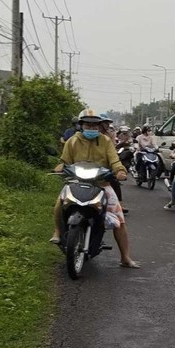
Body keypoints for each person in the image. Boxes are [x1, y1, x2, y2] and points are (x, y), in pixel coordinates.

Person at [50, 108, 139, 268]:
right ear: (81, 125)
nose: (91, 129)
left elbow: (114, 160)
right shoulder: (72, 141)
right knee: (59, 203)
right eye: (88, 125)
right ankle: (57, 231)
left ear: (99, 127)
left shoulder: (105, 141)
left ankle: (125, 257)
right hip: (75, 182)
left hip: (101, 184)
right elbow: (65, 161)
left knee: (119, 220)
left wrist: (120, 171)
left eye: (94, 126)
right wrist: (59, 167)